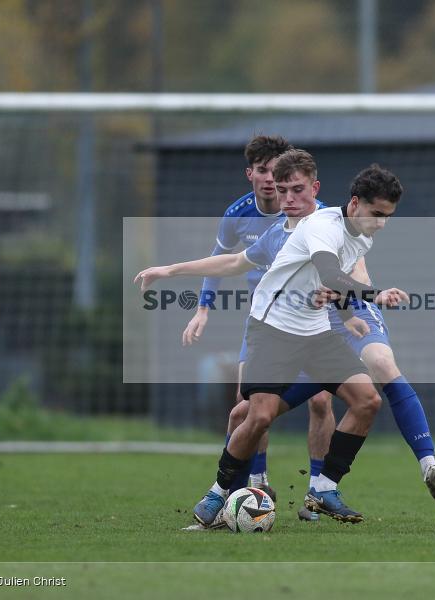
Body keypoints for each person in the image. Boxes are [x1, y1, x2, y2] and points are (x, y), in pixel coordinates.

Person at [138, 153, 435, 524]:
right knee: (257, 417)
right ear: (355, 204)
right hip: (273, 331)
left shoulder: (361, 234)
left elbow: (324, 285)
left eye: (387, 216)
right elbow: (329, 275)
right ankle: (218, 493)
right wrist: (375, 294)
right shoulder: (323, 226)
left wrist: (348, 315)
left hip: (316, 333)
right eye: (377, 214)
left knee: (367, 400)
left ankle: (323, 488)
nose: (382, 224)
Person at [178, 134, 335, 513]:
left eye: (278, 172)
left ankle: (317, 488)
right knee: (247, 407)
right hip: (264, 322)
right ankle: (256, 484)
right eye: (264, 171)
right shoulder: (238, 215)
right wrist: (203, 308)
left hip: (312, 320)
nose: (271, 180)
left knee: (320, 398)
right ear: (251, 174)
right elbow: (222, 261)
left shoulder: (317, 214)